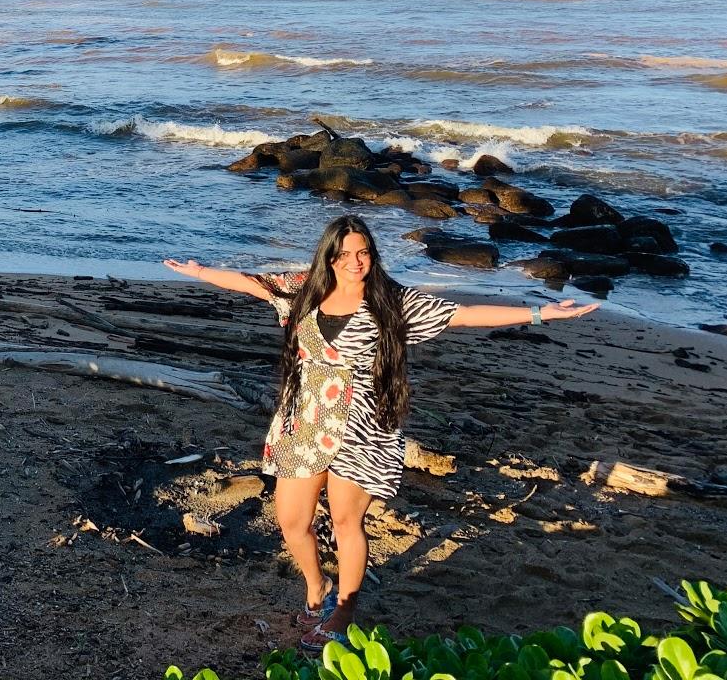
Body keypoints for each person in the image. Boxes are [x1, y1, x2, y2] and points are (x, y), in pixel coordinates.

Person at [163, 214, 598, 649]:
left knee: (346, 521)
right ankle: (316, 586)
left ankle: (345, 610)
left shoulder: (391, 300)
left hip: (364, 425)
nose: (356, 262)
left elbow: (462, 315)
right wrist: (201, 271)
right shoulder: (303, 289)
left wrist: (540, 312)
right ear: (329, 257)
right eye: (346, 254)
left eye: (364, 253)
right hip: (304, 420)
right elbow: (251, 283)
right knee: (292, 523)